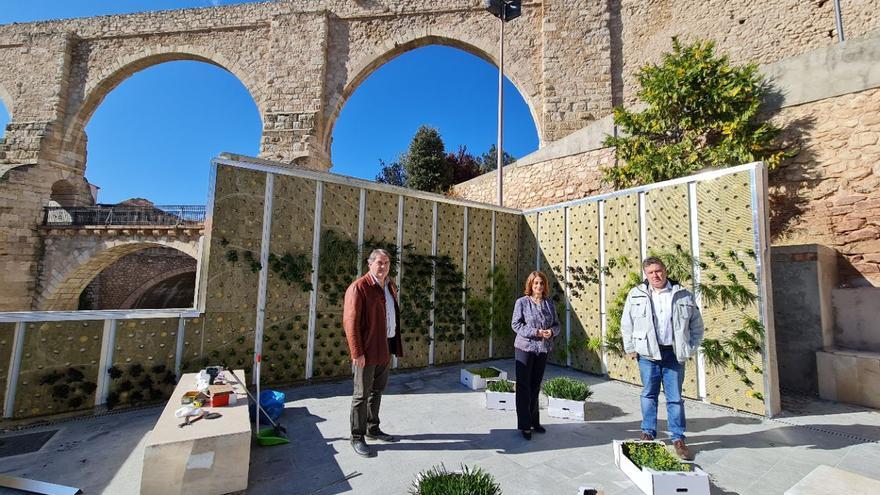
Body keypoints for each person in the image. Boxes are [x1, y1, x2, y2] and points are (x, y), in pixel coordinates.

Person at [621, 256, 704, 460]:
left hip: (673, 355)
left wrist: (689, 348)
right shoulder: (636, 294)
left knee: (674, 399)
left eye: (658, 271)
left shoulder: (683, 295)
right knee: (649, 395)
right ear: (646, 275)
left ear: (665, 271)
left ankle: (678, 439)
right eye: (651, 272)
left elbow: (697, 326)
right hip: (648, 354)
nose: (655, 275)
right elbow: (627, 323)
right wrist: (631, 347)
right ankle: (648, 433)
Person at [343, 248, 404, 457]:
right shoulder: (359, 287)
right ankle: (357, 437)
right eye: (379, 262)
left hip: (384, 346)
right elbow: (350, 323)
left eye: (386, 263)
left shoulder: (389, 285)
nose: (383, 266)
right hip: (367, 351)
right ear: (369, 264)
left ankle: (372, 428)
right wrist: (357, 352)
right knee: (361, 394)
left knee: (377, 390)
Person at [510, 270, 560, 440]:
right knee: (523, 387)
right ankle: (524, 425)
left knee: (535, 386)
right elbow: (516, 324)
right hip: (524, 348)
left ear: (545, 286)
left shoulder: (549, 304)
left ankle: (534, 421)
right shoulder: (522, 302)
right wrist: (536, 332)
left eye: (541, 283)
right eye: (535, 283)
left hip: (542, 349)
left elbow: (557, 325)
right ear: (530, 285)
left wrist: (550, 332)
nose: (539, 286)